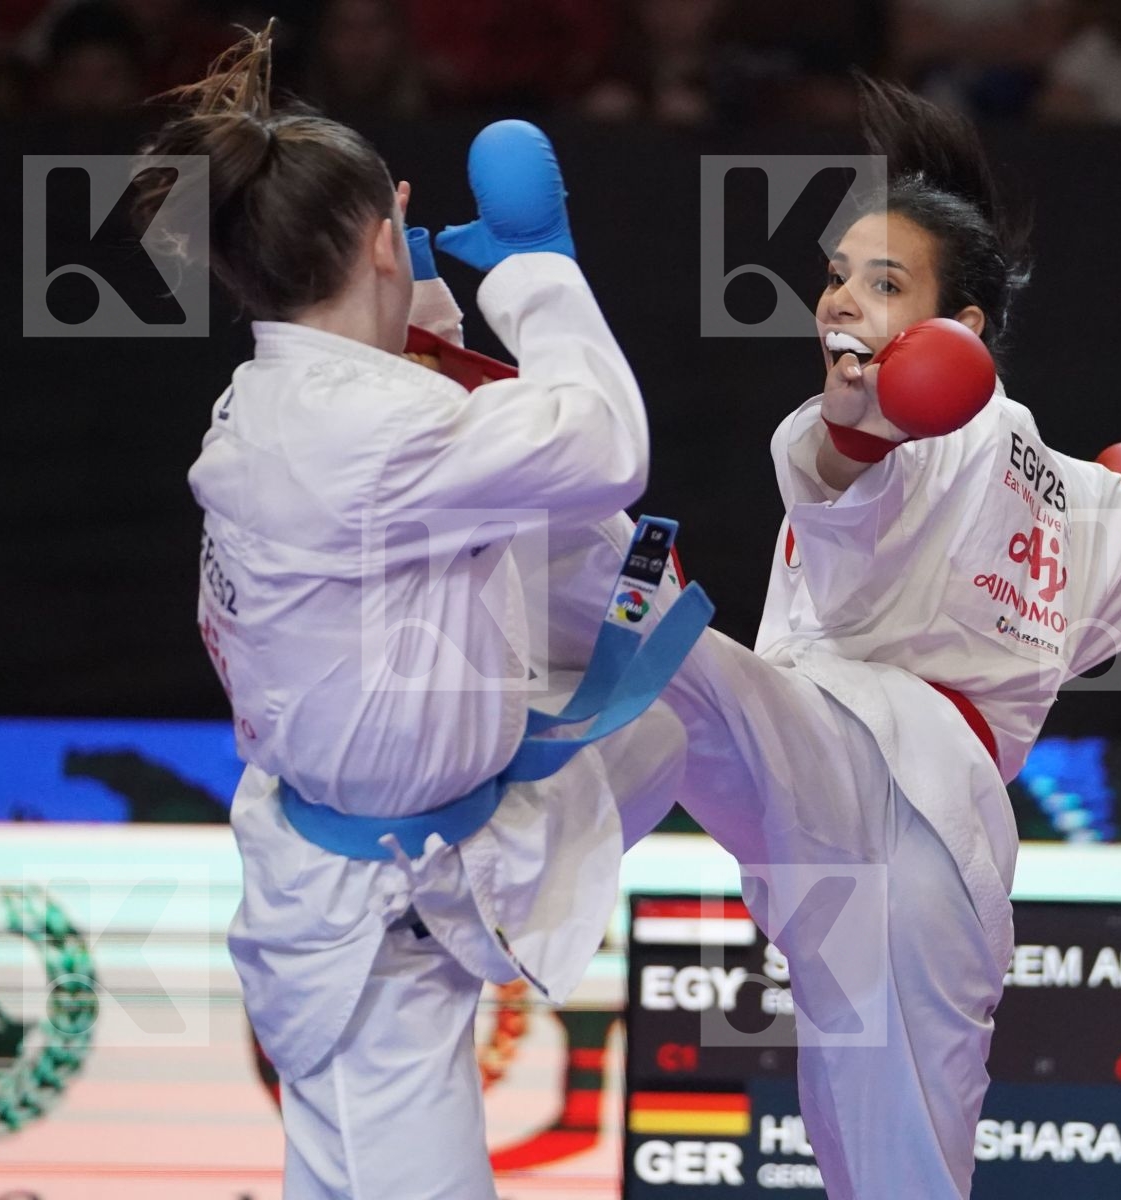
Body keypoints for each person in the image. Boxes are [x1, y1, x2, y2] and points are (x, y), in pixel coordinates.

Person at [625, 76, 1121, 1199]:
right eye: (837, 276)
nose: (841, 303)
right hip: (825, 776)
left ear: (960, 330)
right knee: (640, 641)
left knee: (892, 1170)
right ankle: (479, 871)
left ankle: (482, 866)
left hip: (912, 810)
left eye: (883, 283)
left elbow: (851, 479)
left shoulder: (907, 421)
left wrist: (886, 425)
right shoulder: (1022, 471)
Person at [148, 25, 699, 1199]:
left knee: (657, 733)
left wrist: (426, 294)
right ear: (379, 234)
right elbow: (608, 446)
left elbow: (414, 417)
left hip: (387, 857)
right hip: (383, 913)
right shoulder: (365, 432)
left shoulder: (283, 399)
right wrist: (543, 273)